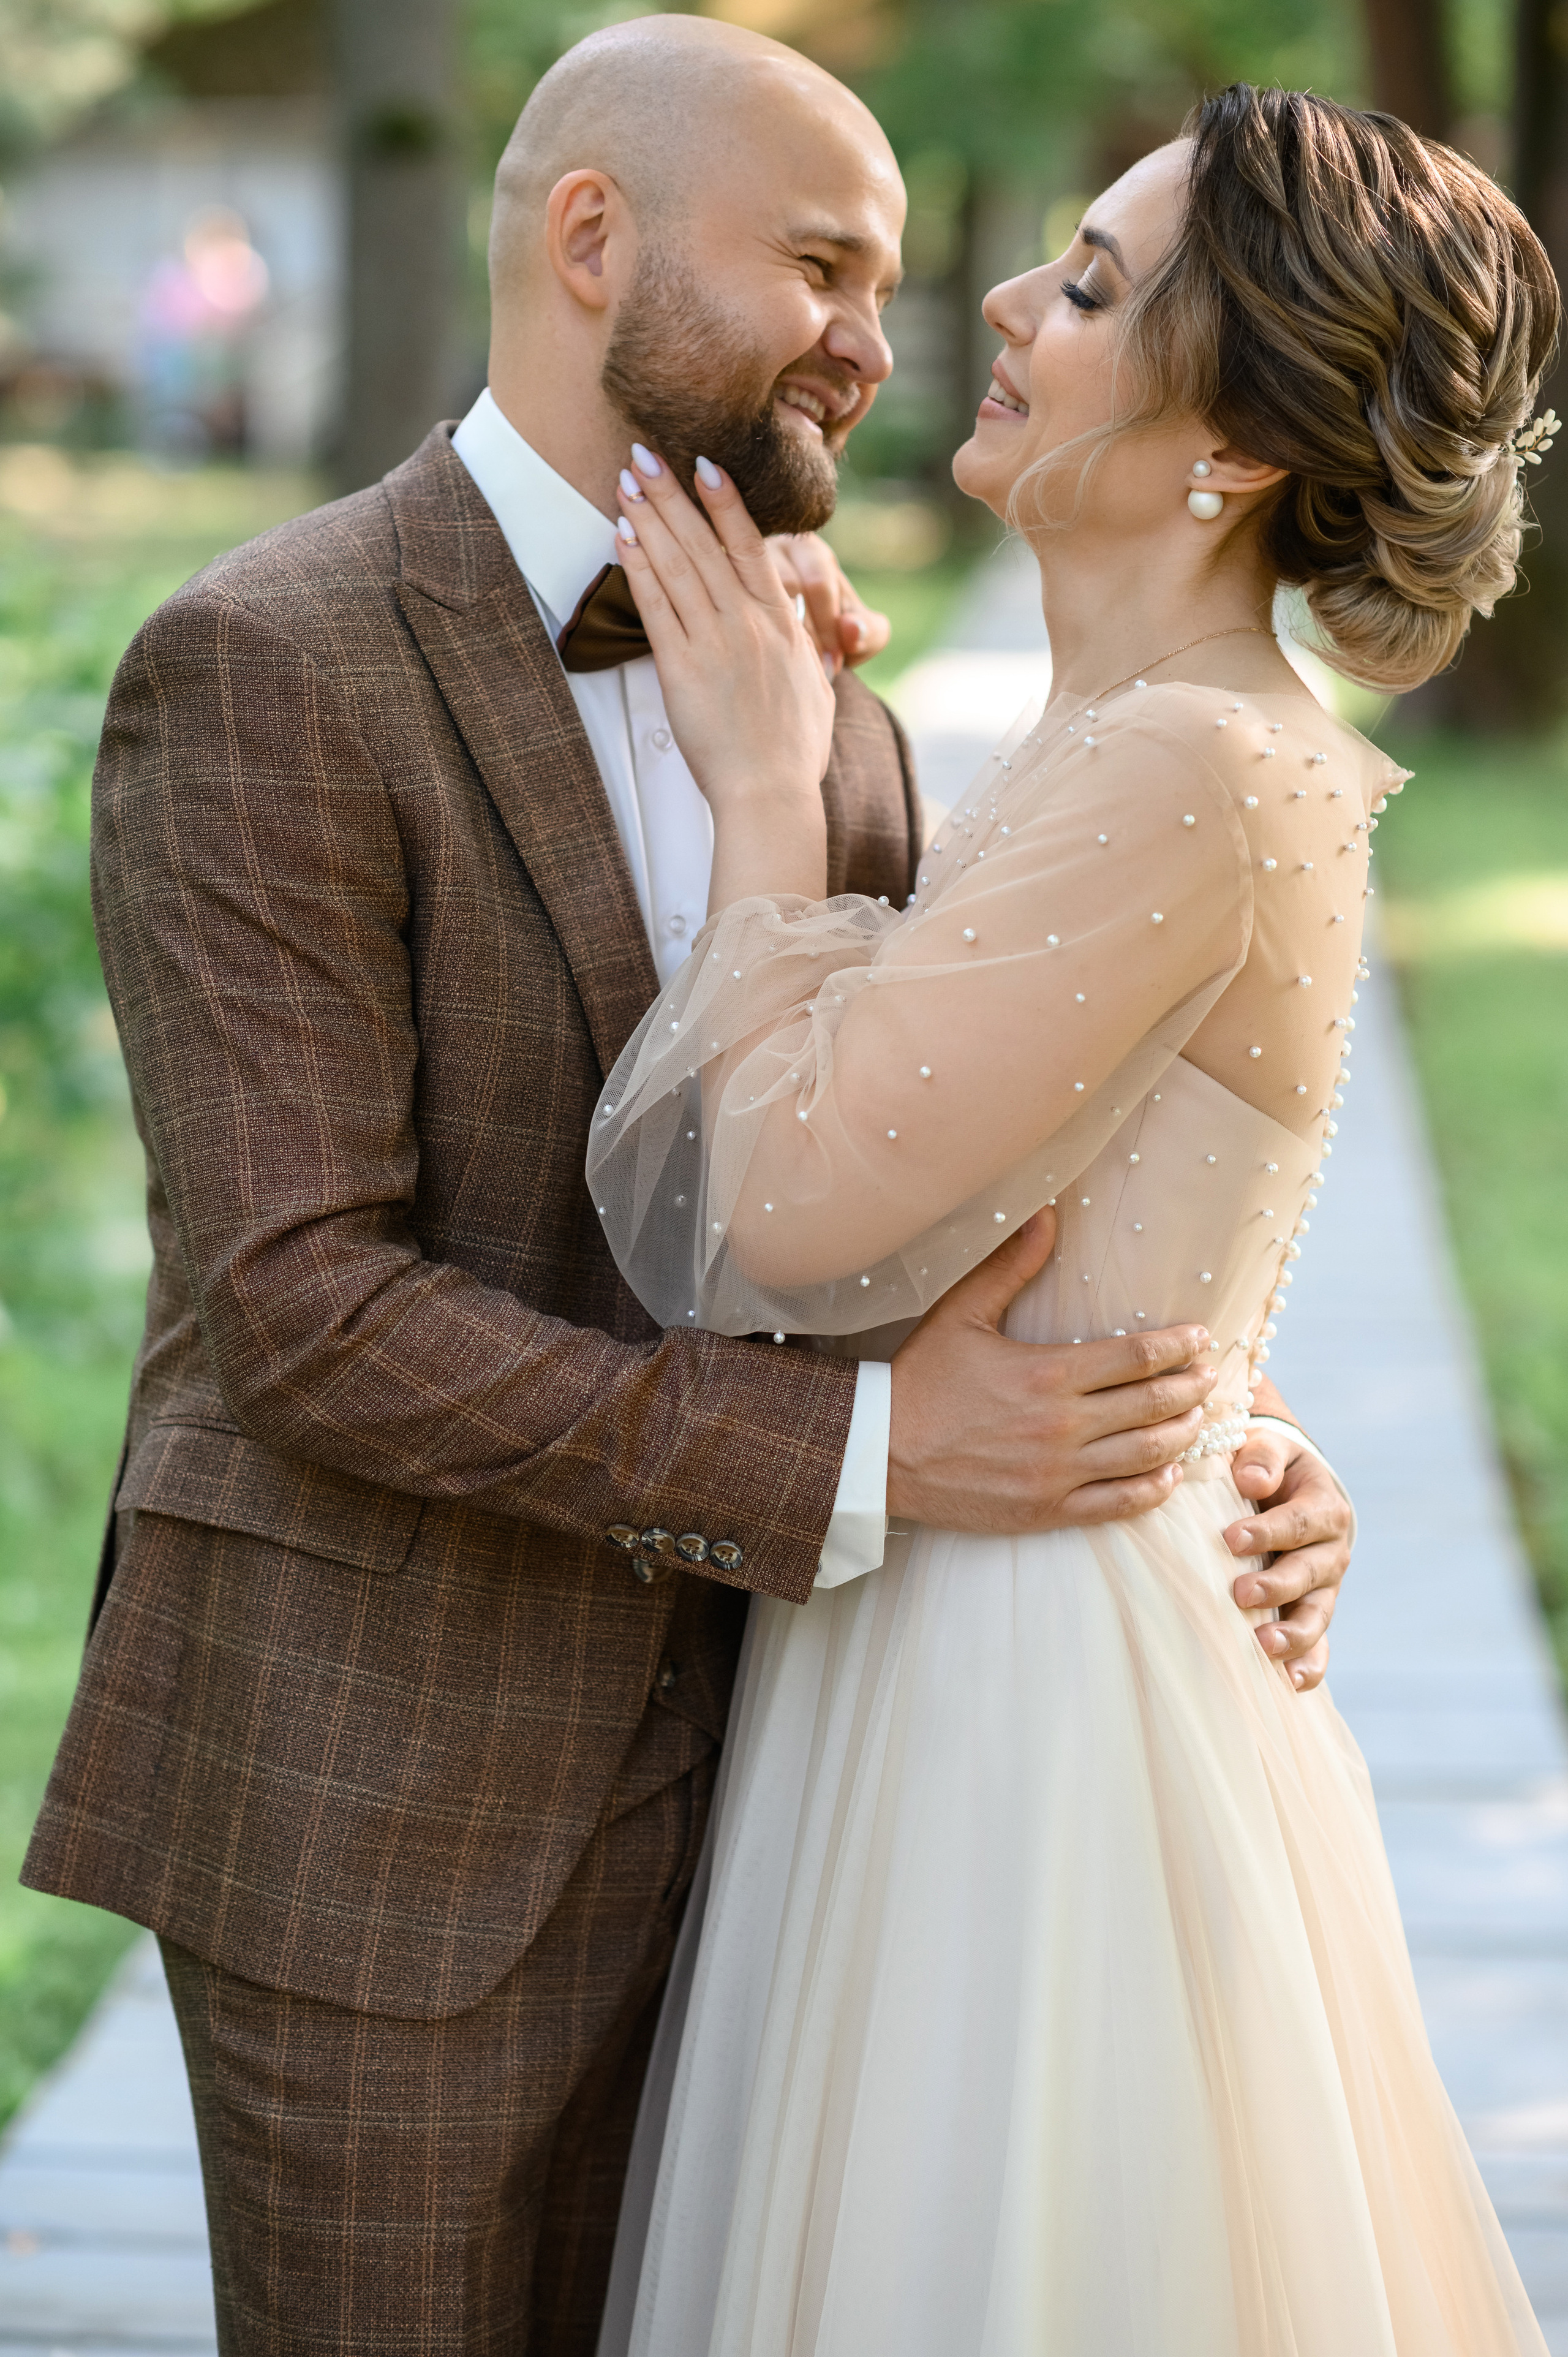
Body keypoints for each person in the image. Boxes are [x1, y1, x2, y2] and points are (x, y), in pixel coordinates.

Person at [23, 21, 1349, 2353]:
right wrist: (865, 1453)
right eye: (823, 264)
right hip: (389, 1814)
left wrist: (1212, 1428)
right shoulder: (262, 664)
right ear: (590, 240)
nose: (876, 335)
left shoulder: (827, 704)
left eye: (896, 281)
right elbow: (302, 1309)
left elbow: (921, 1174)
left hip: (802, 1815)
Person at [586, 83, 1558, 2357]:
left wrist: (756, 796)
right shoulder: (1124, 738)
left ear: (1232, 447)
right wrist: (1251, 1407)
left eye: (1097, 287)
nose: (1008, 300)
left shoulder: (1190, 762)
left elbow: (793, 1217)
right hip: (1018, 1586)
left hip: (1029, 1674)